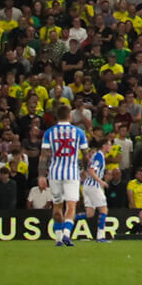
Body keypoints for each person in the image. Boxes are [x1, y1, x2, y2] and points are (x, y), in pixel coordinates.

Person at [40, 104, 88, 248]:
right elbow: (86, 156)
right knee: (71, 205)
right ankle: (67, 234)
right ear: (70, 116)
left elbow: (43, 157)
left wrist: (41, 175)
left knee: (57, 206)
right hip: (72, 173)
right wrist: (85, 170)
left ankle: (58, 239)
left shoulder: (49, 133)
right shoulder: (79, 132)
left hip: (54, 172)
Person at [81, 136, 112, 243]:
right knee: (104, 210)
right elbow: (91, 170)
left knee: (89, 213)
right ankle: (100, 236)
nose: (110, 146)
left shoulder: (96, 155)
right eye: (109, 144)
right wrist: (101, 181)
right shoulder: (99, 156)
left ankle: (67, 220)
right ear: (104, 146)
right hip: (94, 186)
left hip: (87, 186)